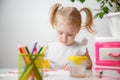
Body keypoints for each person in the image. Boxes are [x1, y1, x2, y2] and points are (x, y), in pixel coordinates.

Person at [44, 3, 95, 70]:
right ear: (55, 26)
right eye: (60, 33)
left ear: (78, 29)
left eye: (69, 35)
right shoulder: (49, 48)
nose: (64, 38)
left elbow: (89, 65)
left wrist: (75, 66)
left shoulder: (81, 48)